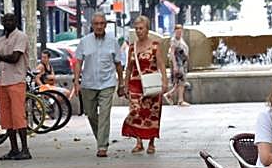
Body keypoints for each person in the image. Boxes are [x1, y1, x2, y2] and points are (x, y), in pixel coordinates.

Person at [70, 12, 124, 157]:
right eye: (96, 24)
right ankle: (101, 137)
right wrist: (76, 81)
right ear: (92, 25)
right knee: (91, 114)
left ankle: (102, 146)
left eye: (102, 23)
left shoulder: (113, 41)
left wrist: (121, 83)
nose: (99, 26)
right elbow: (78, 62)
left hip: (107, 83)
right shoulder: (84, 41)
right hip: (88, 84)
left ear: (106, 25)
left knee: (105, 115)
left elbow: (118, 64)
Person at [0, 12, 31, 160]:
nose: (8, 22)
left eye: (11, 20)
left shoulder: (21, 37)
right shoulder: (0, 41)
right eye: (5, 20)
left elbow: (15, 58)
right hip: (2, 81)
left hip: (16, 80)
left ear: (16, 21)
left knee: (18, 116)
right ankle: (14, 148)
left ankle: (25, 149)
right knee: (6, 118)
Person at [120, 16, 164, 154]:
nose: (138, 31)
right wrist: (125, 85)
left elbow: (161, 64)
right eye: (136, 28)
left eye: (141, 28)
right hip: (136, 84)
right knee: (136, 111)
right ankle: (138, 141)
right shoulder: (132, 47)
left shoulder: (155, 46)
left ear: (147, 29)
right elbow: (128, 68)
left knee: (152, 113)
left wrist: (165, 82)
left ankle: (151, 142)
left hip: (152, 84)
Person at [165, 24, 190, 106]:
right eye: (177, 31)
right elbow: (172, 53)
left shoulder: (180, 39)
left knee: (178, 82)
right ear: (175, 32)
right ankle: (180, 100)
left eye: (180, 31)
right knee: (181, 81)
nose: (179, 33)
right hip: (178, 64)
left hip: (182, 63)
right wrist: (175, 66)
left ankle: (169, 95)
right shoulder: (174, 40)